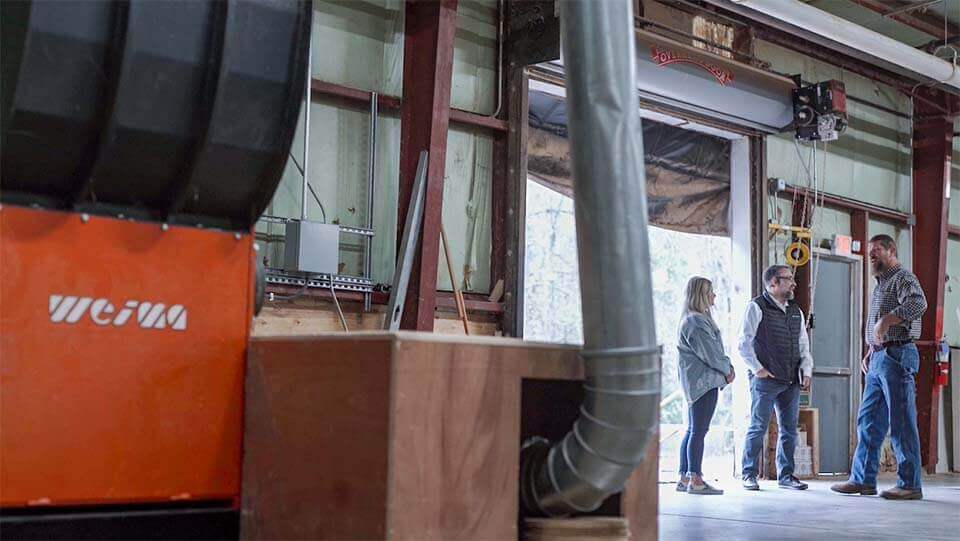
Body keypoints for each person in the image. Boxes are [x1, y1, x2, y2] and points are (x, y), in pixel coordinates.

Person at [831, 234, 927, 500]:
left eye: (876, 250)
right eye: (869, 251)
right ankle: (862, 480)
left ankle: (910, 484)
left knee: (901, 422)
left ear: (891, 250)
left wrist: (886, 320)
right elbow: (878, 328)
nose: (871, 255)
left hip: (897, 355)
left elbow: (918, 303)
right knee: (869, 421)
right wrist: (871, 350)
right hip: (878, 358)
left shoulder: (903, 278)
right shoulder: (881, 284)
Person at [738, 264, 813, 491]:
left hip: (791, 380)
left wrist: (807, 370)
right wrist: (757, 369)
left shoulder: (795, 311)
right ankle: (748, 474)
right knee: (758, 427)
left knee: (789, 430)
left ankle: (786, 476)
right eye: (788, 278)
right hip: (765, 380)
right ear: (773, 283)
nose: (794, 283)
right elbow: (743, 343)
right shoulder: (756, 307)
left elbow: (803, 344)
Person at [676, 276, 735, 495]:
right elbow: (711, 353)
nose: (714, 296)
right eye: (710, 292)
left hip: (697, 382)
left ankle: (684, 477)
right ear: (701, 295)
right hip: (703, 383)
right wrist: (728, 369)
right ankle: (696, 479)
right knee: (699, 431)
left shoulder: (693, 319)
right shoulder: (696, 322)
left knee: (693, 429)